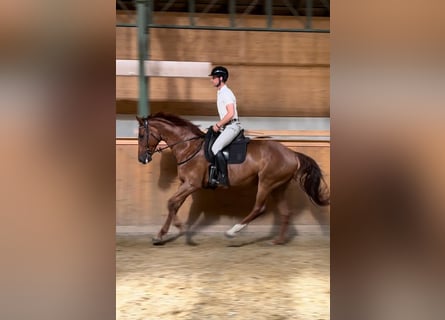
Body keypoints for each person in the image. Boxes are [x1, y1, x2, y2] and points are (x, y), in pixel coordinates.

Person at [208, 66, 243, 187]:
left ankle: (223, 177)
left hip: (232, 126)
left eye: (214, 78)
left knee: (215, 148)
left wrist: (218, 125)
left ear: (221, 78)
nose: (211, 80)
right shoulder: (220, 93)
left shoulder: (226, 93)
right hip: (226, 126)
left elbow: (230, 113)